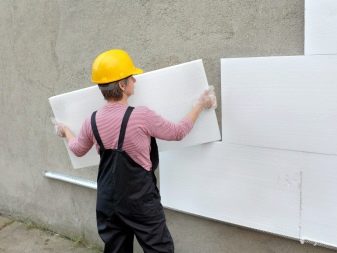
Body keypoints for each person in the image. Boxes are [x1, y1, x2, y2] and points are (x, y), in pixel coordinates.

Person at [55, 49, 216, 253]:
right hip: (139, 201)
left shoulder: (91, 120)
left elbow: (77, 149)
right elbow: (178, 132)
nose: (135, 81)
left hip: (107, 201)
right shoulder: (141, 117)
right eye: (132, 78)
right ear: (122, 85)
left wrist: (66, 131)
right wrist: (200, 104)